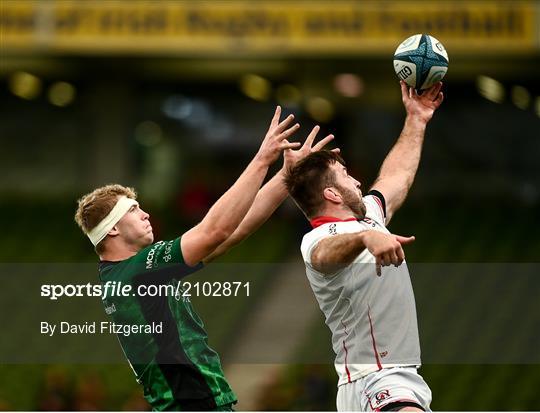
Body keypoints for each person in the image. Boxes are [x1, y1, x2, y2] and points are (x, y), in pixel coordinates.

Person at [74, 106, 335, 411]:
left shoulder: (131, 272)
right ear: (113, 229)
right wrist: (264, 158)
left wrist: (287, 176)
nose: (145, 214)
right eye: (132, 210)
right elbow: (216, 229)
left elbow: (231, 233)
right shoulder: (138, 271)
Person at [284, 81, 444, 412]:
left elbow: (396, 177)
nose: (357, 181)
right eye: (345, 175)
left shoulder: (368, 216)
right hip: (376, 378)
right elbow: (327, 256)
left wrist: (416, 119)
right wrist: (365, 238)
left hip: (386, 377)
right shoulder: (318, 238)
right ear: (331, 194)